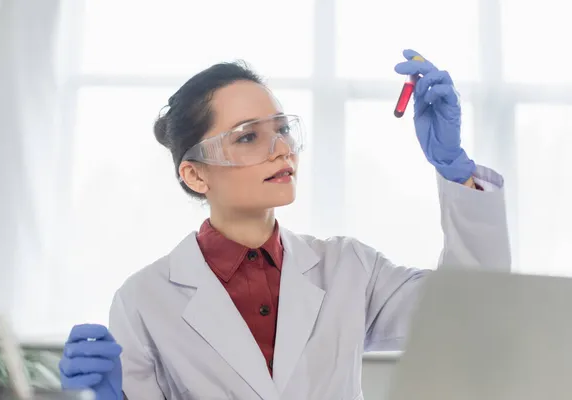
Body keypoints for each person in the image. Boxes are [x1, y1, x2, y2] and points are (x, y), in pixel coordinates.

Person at [58, 50, 511, 400]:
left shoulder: (349, 268)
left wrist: (456, 170)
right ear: (196, 174)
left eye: (282, 129)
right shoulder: (144, 300)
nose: (280, 149)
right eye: (248, 136)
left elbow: (473, 312)